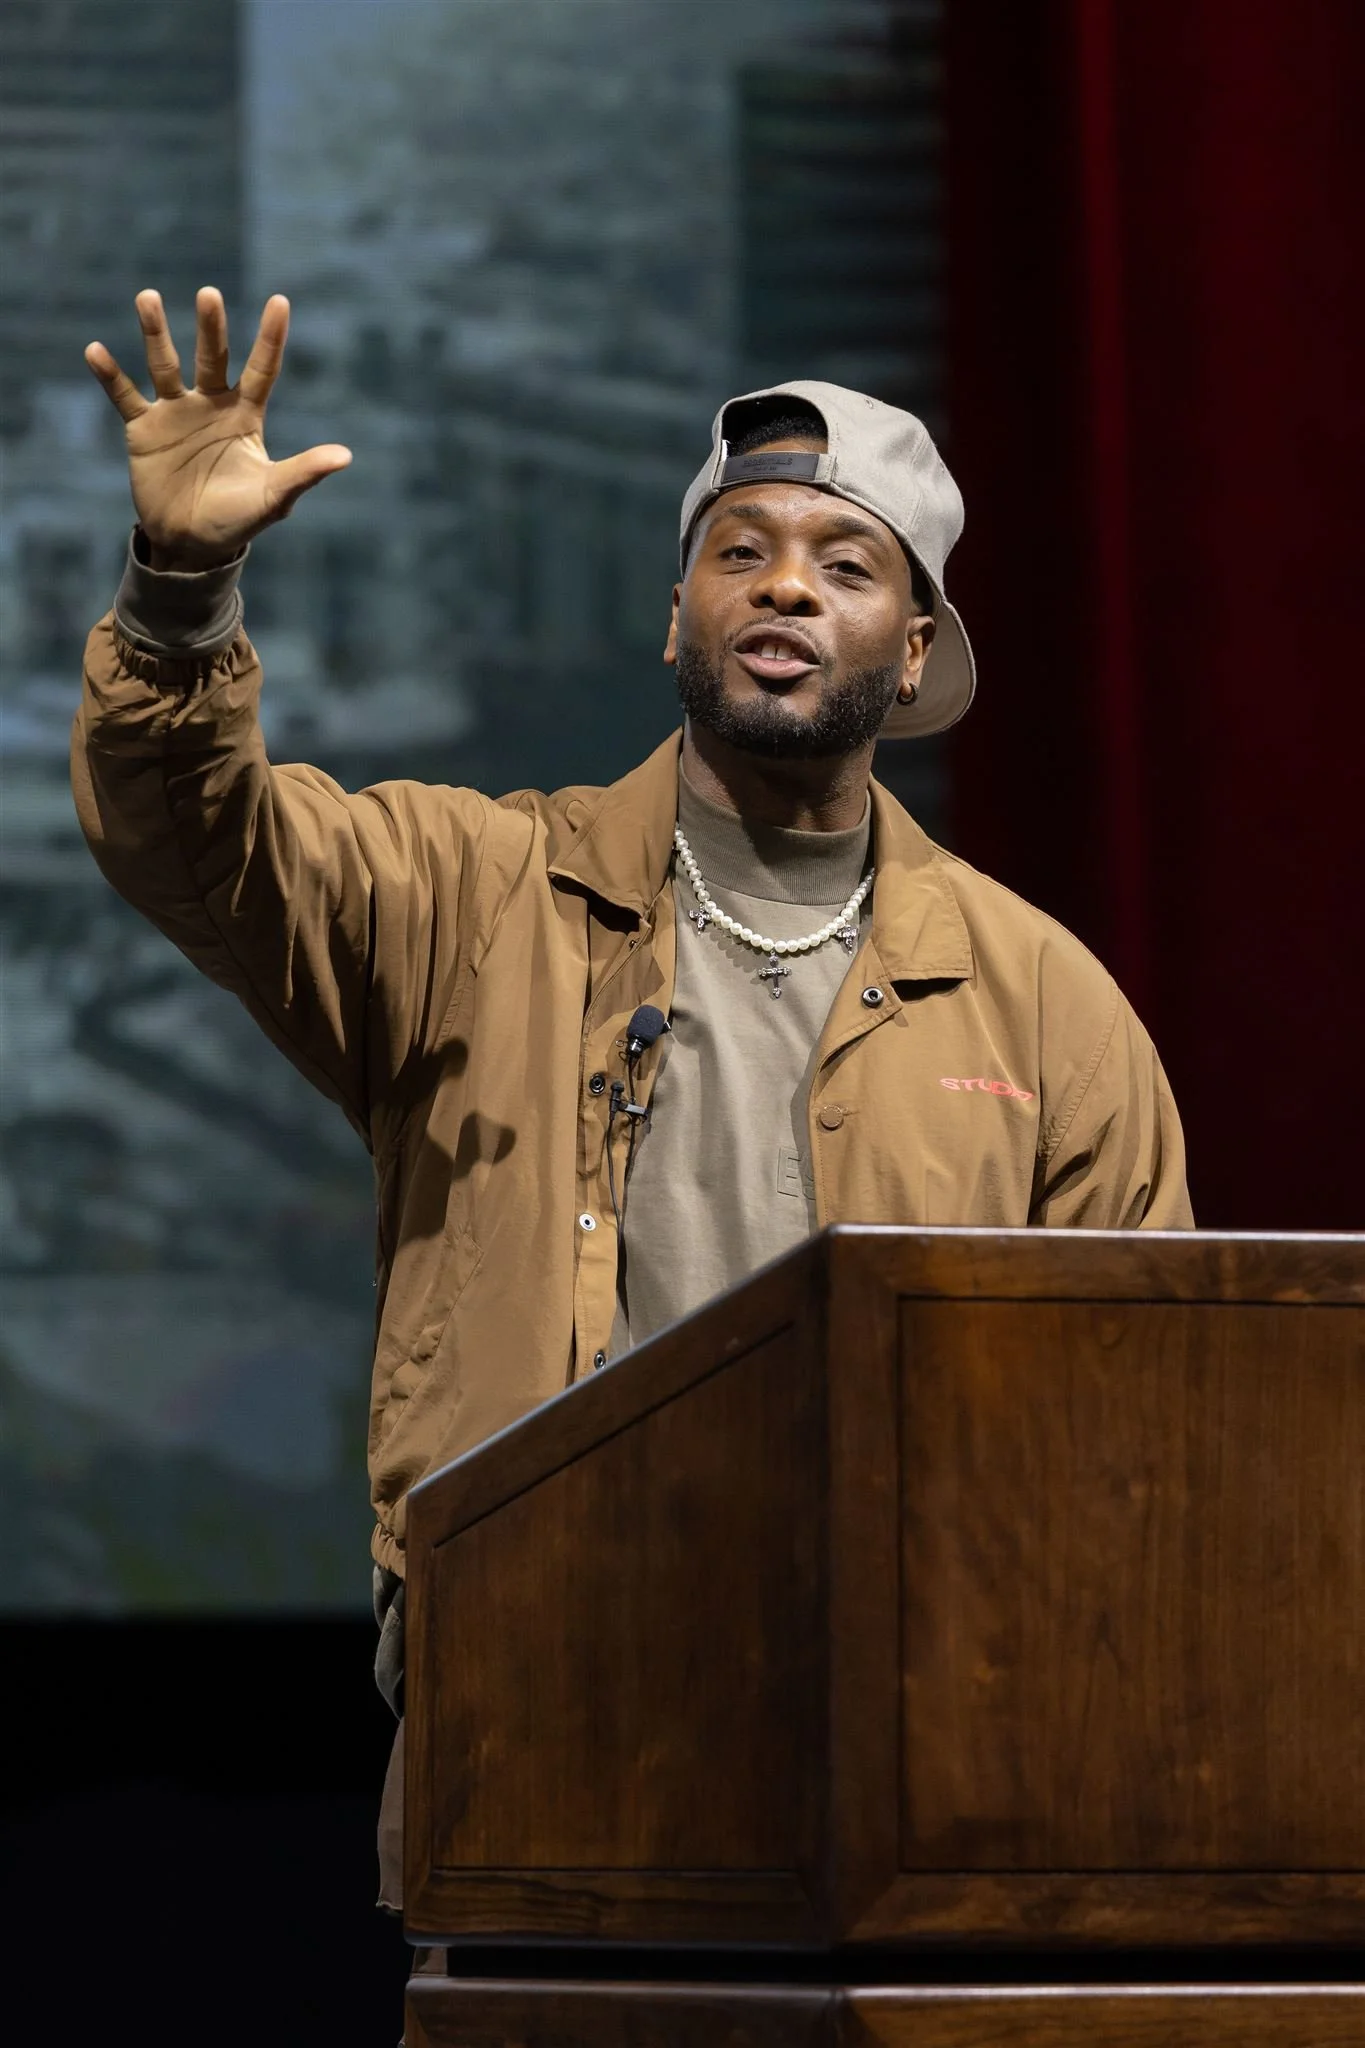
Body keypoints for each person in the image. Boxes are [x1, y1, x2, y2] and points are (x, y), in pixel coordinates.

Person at [75, 288, 1192, 1914]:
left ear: (916, 649)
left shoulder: (1047, 1004)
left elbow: (1139, 1432)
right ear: (678, 616)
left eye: (847, 564)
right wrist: (181, 596)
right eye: (743, 550)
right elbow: (195, 834)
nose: (787, 584)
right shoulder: (475, 898)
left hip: (924, 1758)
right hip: (544, 1719)